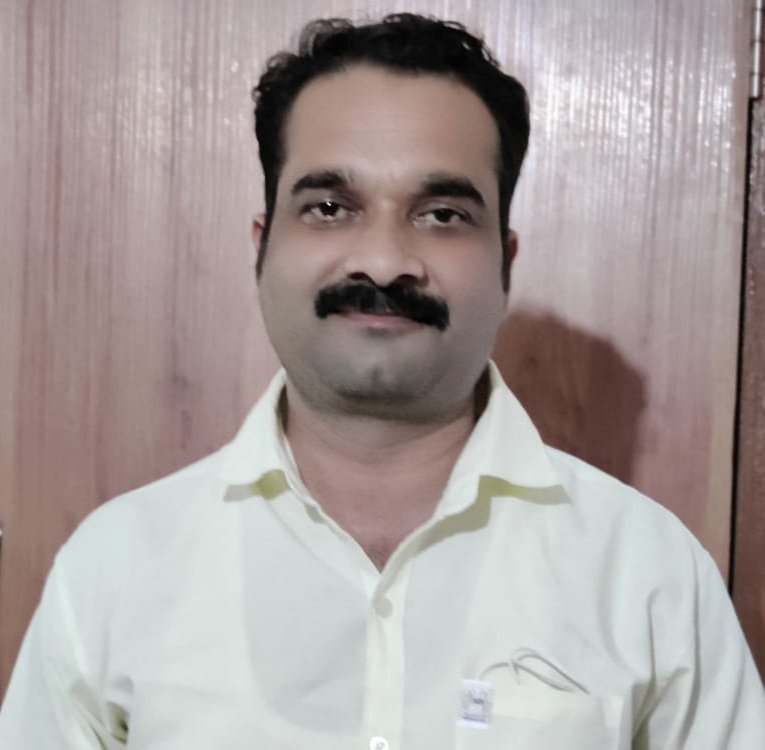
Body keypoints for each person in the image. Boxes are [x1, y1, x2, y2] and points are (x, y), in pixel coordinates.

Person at [1, 12, 763, 749]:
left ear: (504, 263)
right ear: (262, 248)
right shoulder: (113, 571)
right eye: (330, 207)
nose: (384, 261)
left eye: (441, 214)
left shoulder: (649, 575)